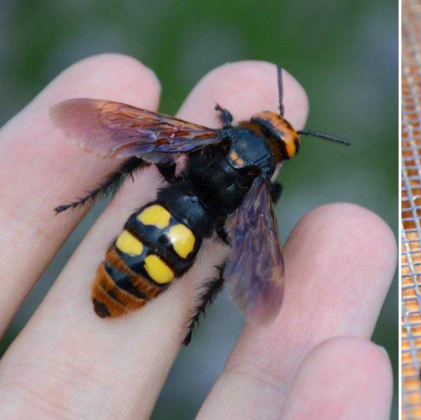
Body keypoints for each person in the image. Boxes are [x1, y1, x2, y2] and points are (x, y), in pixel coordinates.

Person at [0, 54, 397, 418]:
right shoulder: (260, 187)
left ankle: (86, 200)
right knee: (236, 255)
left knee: (141, 156)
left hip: (159, 218)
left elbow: (126, 130)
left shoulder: (211, 136)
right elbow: (258, 227)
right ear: (279, 158)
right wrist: (266, 200)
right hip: (185, 240)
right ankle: (193, 316)